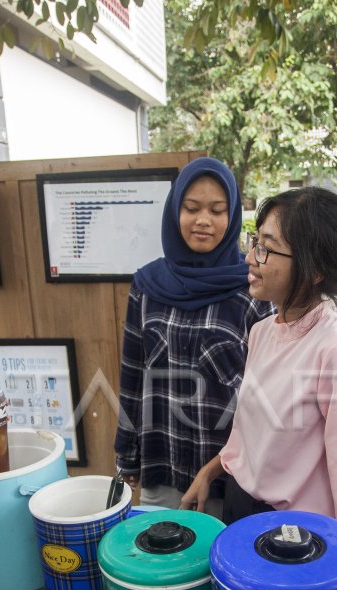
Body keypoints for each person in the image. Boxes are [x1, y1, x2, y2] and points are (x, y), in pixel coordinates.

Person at [182, 187, 337, 524]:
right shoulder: (262, 332)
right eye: (255, 242)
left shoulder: (336, 349)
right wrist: (208, 472)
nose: (251, 258)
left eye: (267, 249)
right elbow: (249, 434)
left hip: (298, 531)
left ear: (315, 269)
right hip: (240, 508)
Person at [115, 157, 273, 516]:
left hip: (228, 478)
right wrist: (127, 455)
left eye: (217, 210)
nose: (204, 220)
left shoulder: (253, 291)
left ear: (232, 217)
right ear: (175, 212)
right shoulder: (146, 285)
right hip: (162, 468)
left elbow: (267, 394)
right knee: (159, 567)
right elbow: (132, 377)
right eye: (191, 208)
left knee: (219, 568)